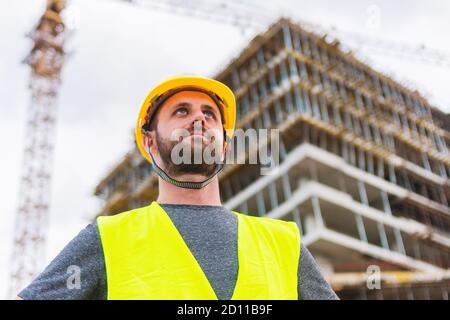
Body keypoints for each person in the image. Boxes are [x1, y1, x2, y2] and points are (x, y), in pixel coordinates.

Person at [17, 75, 338, 300]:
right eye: (181, 110)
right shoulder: (107, 239)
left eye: (209, 114)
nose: (198, 119)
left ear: (225, 147)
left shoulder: (284, 245)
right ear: (150, 141)